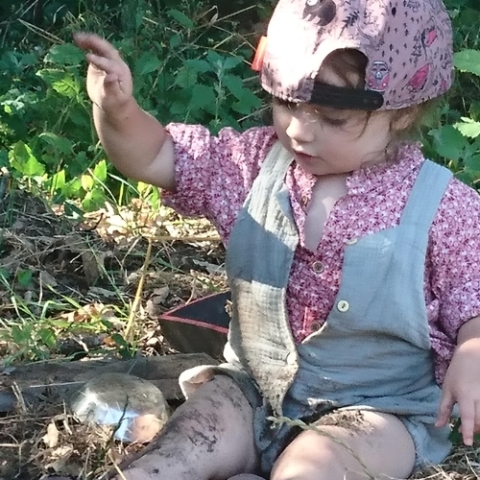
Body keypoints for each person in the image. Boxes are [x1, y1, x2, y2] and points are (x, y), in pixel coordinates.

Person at [74, 0, 480, 479]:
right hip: (251, 391)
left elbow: (472, 304)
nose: (299, 130)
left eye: (332, 118)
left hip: (376, 411)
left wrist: (471, 357)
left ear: (404, 112)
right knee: (171, 457)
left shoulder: (443, 207)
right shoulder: (251, 165)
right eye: (286, 103)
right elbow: (155, 157)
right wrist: (117, 111)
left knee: (317, 470)